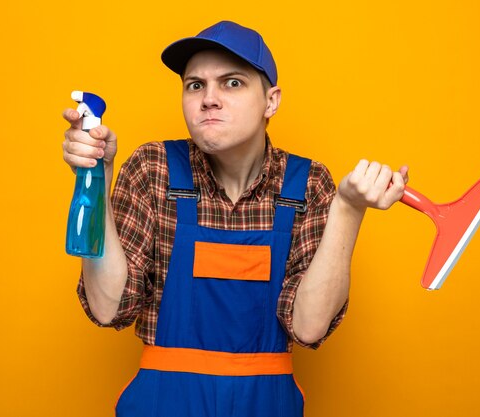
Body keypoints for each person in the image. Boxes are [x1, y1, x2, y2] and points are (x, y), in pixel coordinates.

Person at [62, 20, 408, 417]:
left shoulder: (308, 185)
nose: (209, 98)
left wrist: (348, 209)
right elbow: (109, 308)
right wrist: (98, 180)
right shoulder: (153, 168)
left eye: (232, 83)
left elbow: (309, 327)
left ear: (271, 101)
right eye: (195, 85)